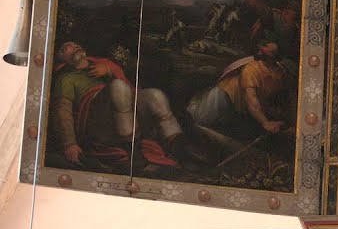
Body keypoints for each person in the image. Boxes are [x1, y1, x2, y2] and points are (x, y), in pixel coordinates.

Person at [50, 42, 187, 169]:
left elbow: (131, 90)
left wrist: (110, 71)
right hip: (98, 125)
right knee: (118, 87)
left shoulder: (104, 64)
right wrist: (69, 144)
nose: (74, 46)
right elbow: (62, 112)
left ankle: (177, 148)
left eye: (75, 44)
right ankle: (133, 152)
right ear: (63, 59)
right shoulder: (66, 79)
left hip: (126, 115)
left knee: (154, 95)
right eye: (66, 47)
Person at [186, 38, 289, 139]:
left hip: (237, 108)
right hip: (222, 99)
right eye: (263, 47)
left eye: (266, 49)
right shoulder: (252, 69)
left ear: (274, 56)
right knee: (197, 123)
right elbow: (251, 100)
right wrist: (265, 123)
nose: (261, 50)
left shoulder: (280, 73)